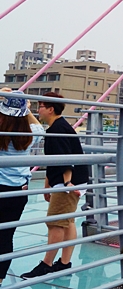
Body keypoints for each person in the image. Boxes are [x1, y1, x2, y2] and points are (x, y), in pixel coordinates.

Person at [22, 92, 89, 280]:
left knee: (55, 223)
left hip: (69, 181)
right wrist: (48, 182)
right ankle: (64, 264)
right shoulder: (60, 126)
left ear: (51, 109)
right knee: (67, 222)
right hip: (72, 179)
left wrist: (66, 183)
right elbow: (56, 160)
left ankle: (46, 264)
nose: (38, 110)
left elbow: (66, 159)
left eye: (41, 106)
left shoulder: (56, 130)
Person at [0, 89, 44, 284]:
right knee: (5, 236)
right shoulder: (31, 133)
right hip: (18, 192)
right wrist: (23, 105)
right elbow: (38, 126)